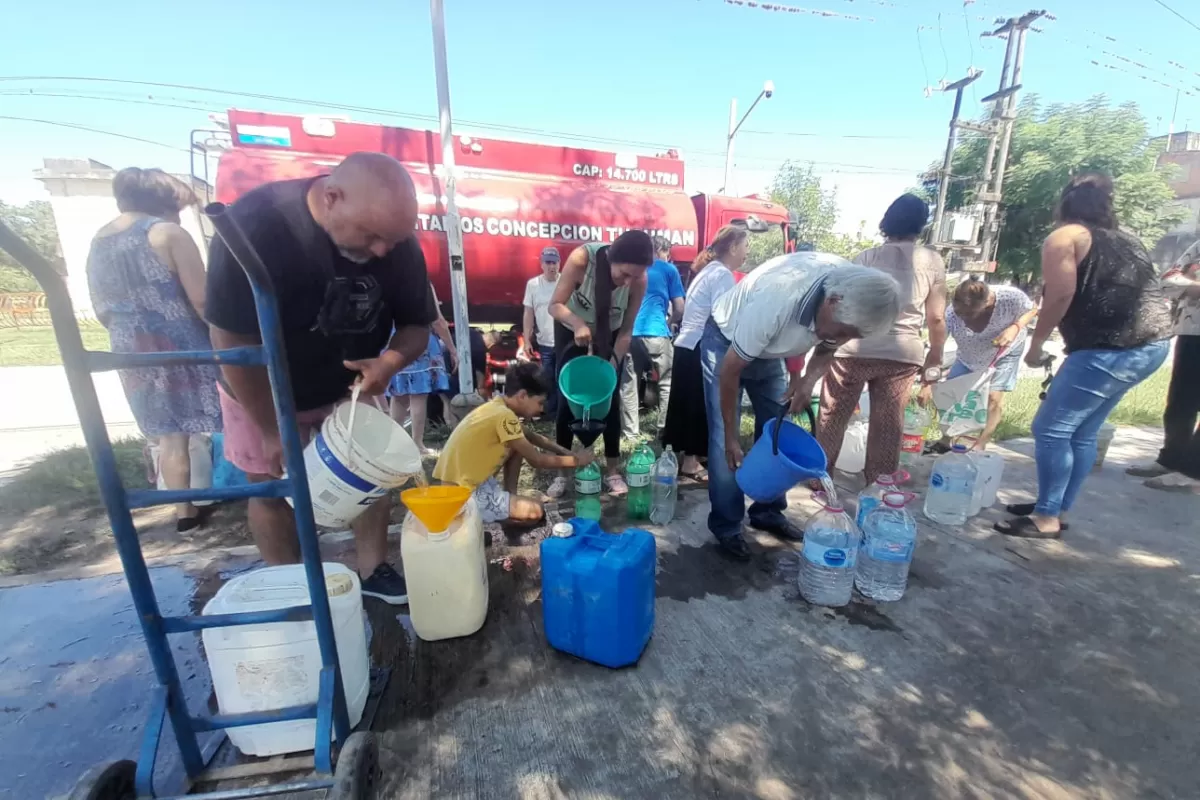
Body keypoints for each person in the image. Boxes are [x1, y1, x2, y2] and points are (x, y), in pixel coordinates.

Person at [205, 152, 435, 604]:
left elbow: (416, 327)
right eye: (371, 237)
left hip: (347, 386)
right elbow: (230, 338)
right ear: (332, 197)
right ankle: (293, 587)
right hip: (259, 385)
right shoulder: (258, 225)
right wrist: (273, 428)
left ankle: (373, 570)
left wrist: (387, 364)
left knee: (374, 476)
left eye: (391, 240)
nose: (382, 251)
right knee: (271, 488)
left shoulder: (396, 242)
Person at [996, 173, 1172, 538]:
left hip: (1110, 348)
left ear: (1063, 205)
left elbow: (1059, 296)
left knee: (1049, 429)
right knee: (1082, 433)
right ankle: (1055, 507)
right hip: (1152, 345)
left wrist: (1035, 344)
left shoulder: (1064, 237)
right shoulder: (1128, 240)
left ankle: (1046, 518)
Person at [701, 252, 902, 559]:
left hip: (770, 350)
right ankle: (727, 525)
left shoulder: (847, 298)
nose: (842, 338)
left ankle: (767, 511)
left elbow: (826, 347)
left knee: (779, 435)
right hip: (727, 341)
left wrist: (806, 381)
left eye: (852, 335)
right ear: (832, 301)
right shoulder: (779, 300)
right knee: (723, 443)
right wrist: (731, 435)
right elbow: (730, 370)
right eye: (844, 330)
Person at [86, 167, 222, 532]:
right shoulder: (168, 233)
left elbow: (101, 307)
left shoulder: (99, 240)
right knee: (237, 413)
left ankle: (184, 513)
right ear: (166, 203)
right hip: (182, 346)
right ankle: (269, 490)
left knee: (169, 434)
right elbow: (202, 300)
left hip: (131, 348)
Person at [815, 194, 947, 485]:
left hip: (855, 348)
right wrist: (935, 354)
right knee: (888, 425)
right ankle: (880, 487)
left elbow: (844, 303)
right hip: (901, 355)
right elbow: (936, 317)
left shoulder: (867, 257)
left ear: (887, 221)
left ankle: (819, 479)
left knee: (833, 416)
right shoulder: (933, 261)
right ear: (920, 225)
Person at [545, 231, 652, 498]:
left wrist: (611, 367)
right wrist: (578, 324)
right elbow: (555, 305)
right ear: (611, 258)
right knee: (568, 401)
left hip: (611, 335)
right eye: (623, 274)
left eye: (633, 276)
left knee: (610, 399)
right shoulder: (583, 259)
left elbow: (627, 330)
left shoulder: (638, 280)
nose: (627, 281)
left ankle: (612, 471)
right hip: (571, 329)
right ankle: (563, 472)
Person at [434, 362, 595, 524]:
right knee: (536, 510)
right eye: (540, 402)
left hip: (462, 485)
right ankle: (499, 512)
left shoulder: (497, 407)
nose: (542, 410)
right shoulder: (504, 416)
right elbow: (536, 460)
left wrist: (569, 452)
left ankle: (510, 499)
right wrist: (577, 461)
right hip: (464, 496)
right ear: (522, 396)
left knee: (518, 446)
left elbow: (533, 437)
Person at [662, 225, 747, 480]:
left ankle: (694, 456)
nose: (746, 253)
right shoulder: (721, 274)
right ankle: (690, 462)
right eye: (745, 246)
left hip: (687, 344)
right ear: (732, 247)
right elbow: (724, 318)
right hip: (700, 345)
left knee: (688, 403)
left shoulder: (709, 270)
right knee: (698, 405)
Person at [1125, 239, 1200, 493]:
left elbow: (1183, 281)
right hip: (1191, 330)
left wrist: (1193, 280)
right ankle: (1171, 460)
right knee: (1180, 400)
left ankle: (1193, 473)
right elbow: (1167, 282)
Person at [937, 279, 1038, 450]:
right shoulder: (951, 314)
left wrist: (1015, 327)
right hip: (968, 355)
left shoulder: (1011, 298)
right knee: (952, 394)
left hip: (1003, 352)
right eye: (960, 314)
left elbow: (1033, 309)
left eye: (970, 315)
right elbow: (938, 344)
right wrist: (929, 377)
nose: (965, 320)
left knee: (993, 397)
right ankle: (946, 439)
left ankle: (981, 443)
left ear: (987, 303)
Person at [619, 236, 685, 439]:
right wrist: (669, 323)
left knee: (629, 384)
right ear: (665, 251)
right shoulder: (669, 269)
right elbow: (680, 307)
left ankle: (630, 433)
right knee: (667, 382)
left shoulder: (635, 268)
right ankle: (664, 428)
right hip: (657, 332)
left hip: (631, 333)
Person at [387, 283, 458, 455]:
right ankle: (417, 444)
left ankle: (392, 445)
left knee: (399, 396)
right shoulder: (423, 284)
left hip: (394, 342)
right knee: (418, 396)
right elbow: (437, 320)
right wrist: (452, 348)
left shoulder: (388, 279)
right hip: (419, 342)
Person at [521, 246, 560, 417]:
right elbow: (528, 313)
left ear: (560, 264)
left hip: (564, 341)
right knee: (547, 379)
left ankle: (562, 413)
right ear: (542, 265)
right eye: (548, 263)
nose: (552, 267)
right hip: (545, 342)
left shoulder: (565, 282)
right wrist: (527, 340)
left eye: (555, 263)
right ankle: (550, 414)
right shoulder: (533, 285)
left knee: (563, 379)